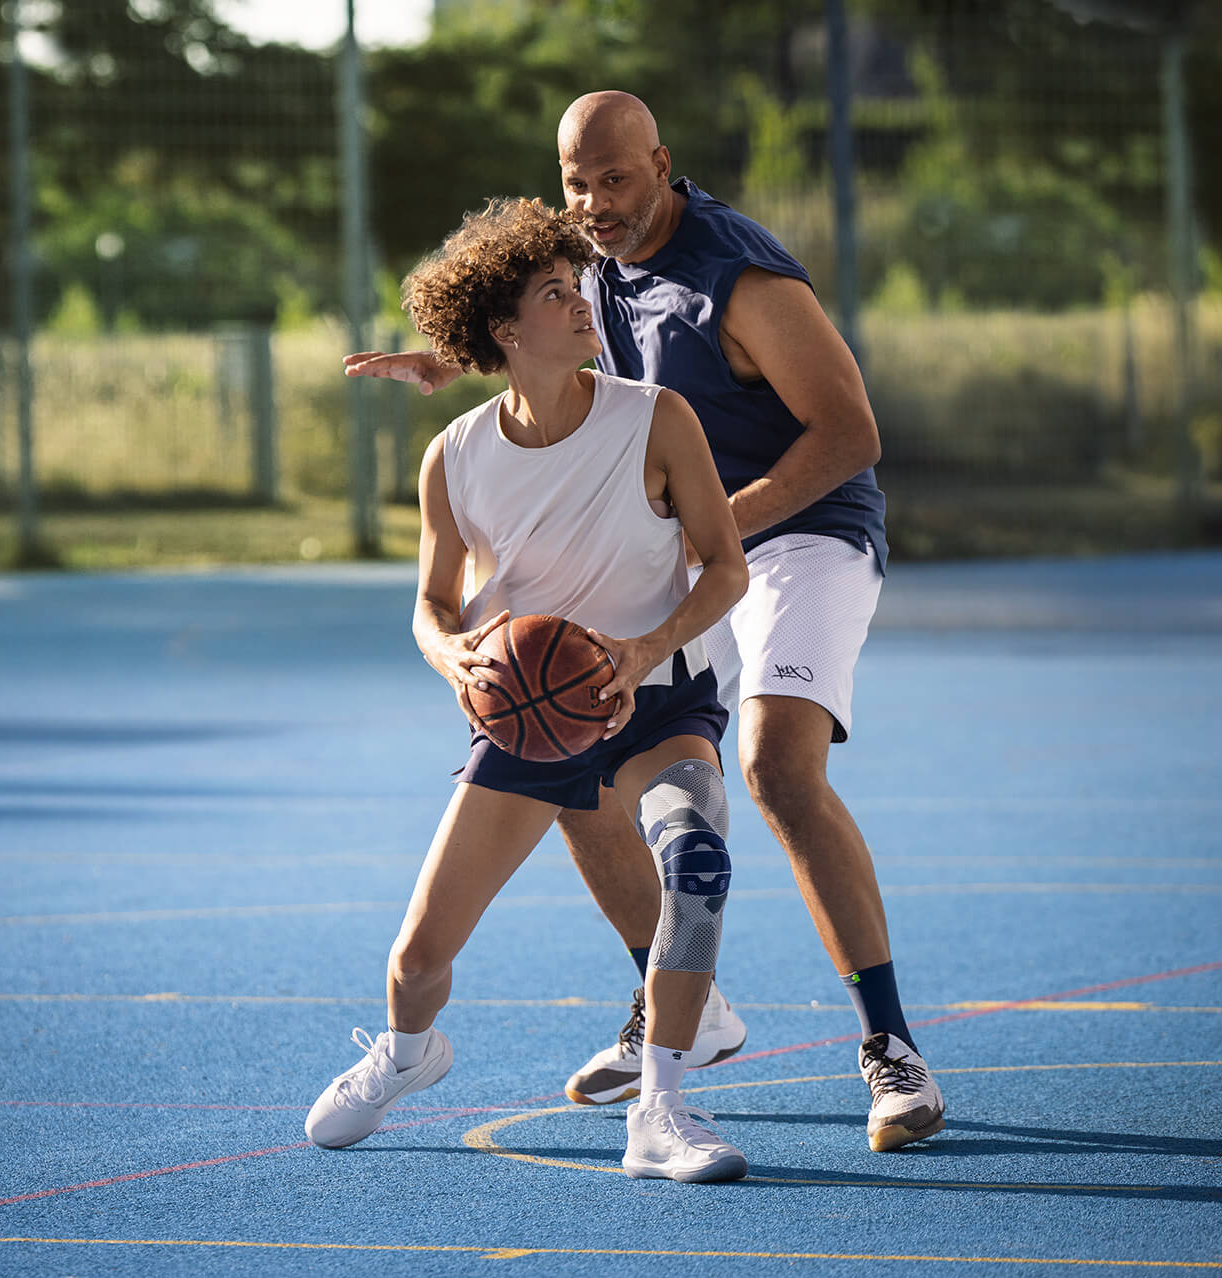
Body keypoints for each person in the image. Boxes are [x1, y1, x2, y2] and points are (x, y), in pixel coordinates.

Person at [345, 91, 945, 1152]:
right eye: (576, 184)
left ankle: (889, 1048)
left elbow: (850, 433)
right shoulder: (598, 259)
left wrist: (711, 527)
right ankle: (681, 1005)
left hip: (798, 529)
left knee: (777, 767)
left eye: (614, 180)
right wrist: (465, 359)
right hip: (684, 532)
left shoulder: (736, 276)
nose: (593, 204)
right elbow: (543, 344)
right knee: (574, 739)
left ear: (662, 165)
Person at [306, 197, 755, 1182]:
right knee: (416, 961)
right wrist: (453, 656)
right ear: (503, 331)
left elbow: (726, 569)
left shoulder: (656, 419)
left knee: (694, 860)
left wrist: (644, 648)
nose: (580, 301)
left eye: (575, 283)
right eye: (554, 293)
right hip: (529, 716)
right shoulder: (455, 456)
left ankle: (662, 1111)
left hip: (658, 694)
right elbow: (431, 606)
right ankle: (408, 1052)